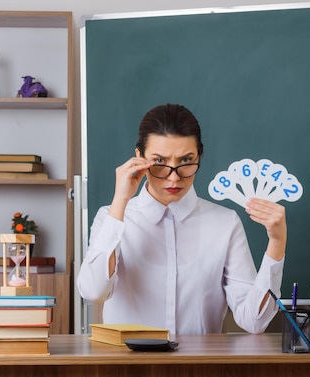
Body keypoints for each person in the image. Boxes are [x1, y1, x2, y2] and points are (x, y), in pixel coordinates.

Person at [77, 103, 287, 334]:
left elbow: (253, 322)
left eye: (186, 161)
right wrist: (121, 199)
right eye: (159, 162)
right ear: (139, 157)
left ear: (199, 155)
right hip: (129, 366)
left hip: (198, 367)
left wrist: (277, 243)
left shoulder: (225, 223)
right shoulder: (111, 218)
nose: (174, 178)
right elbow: (93, 292)